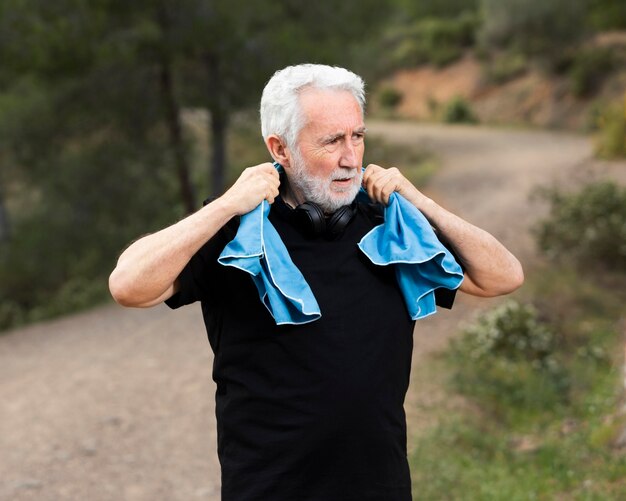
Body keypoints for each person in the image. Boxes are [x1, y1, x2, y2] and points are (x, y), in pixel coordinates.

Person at [109, 64, 523, 500]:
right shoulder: (242, 231)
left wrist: (419, 201)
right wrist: (227, 205)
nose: (351, 157)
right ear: (280, 149)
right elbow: (129, 286)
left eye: (357, 137)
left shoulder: (392, 227)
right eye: (332, 141)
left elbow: (503, 276)